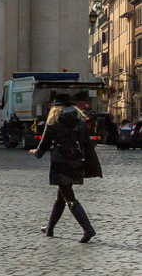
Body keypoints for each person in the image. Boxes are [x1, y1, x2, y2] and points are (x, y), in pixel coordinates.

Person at [34, 93, 98, 242]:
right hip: (76, 159)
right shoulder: (80, 119)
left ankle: (88, 229)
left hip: (60, 161)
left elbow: (45, 140)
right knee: (61, 196)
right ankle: (49, 228)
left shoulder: (54, 119)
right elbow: (85, 139)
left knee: (68, 196)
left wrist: (37, 153)